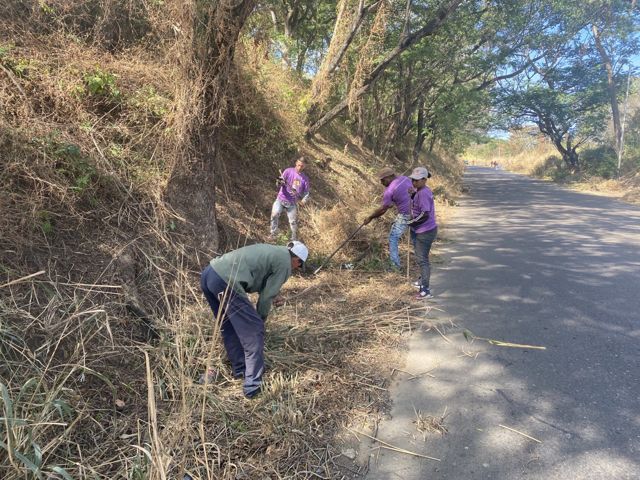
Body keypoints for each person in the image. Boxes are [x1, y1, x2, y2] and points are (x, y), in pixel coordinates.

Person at [200, 241, 309, 398]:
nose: (296, 269)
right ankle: (252, 386)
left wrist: (274, 295)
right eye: (298, 266)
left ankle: (241, 370)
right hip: (226, 281)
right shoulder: (286, 263)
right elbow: (266, 297)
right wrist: (260, 319)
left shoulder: (274, 251)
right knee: (253, 329)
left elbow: (260, 276)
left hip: (209, 275)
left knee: (229, 326)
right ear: (297, 260)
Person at [363, 167, 412, 270]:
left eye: (383, 180)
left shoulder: (389, 190)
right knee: (416, 238)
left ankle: (395, 266)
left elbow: (383, 210)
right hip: (418, 213)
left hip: (405, 215)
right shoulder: (405, 179)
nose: (382, 183)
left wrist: (370, 217)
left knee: (393, 238)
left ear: (389, 177)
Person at [407, 166, 438, 299]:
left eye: (417, 180)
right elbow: (418, 206)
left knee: (422, 260)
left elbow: (424, 214)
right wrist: (413, 194)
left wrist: (411, 223)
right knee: (421, 257)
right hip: (419, 230)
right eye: (413, 180)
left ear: (425, 180)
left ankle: (425, 290)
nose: (414, 182)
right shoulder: (420, 191)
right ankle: (421, 281)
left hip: (424, 231)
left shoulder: (424, 192)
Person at [270, 157, 310, 241]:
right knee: (274, 214)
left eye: (302, 166)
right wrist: (280, 182)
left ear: (305, 166)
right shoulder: (288, 171)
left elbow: (306, 193)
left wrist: (303, 200)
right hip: (281, 199)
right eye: (299, 165)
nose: (300, 167)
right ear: (296, 163)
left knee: (293, 222)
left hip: (292, 203)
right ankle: (273, 234)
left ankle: (293, 240)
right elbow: (278, 182)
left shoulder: (305, 179)